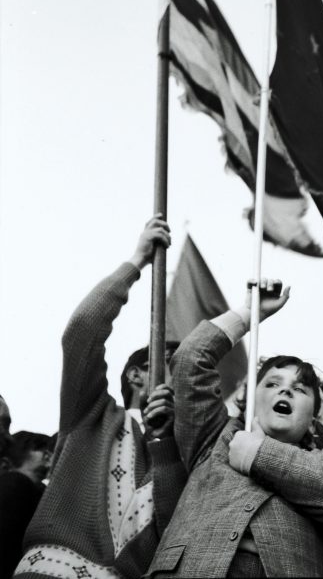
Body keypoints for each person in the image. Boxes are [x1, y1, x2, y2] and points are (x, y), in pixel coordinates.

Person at [146, 280, 323, 578]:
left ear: (314, 412)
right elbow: (191, 360)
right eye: (272, 383)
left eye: (301, 389)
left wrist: (260, 453)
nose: (285, 392)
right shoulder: (214, 436)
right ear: (250, 397)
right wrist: (249, 312)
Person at [14, 215, 186, 579]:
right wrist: (136, 261)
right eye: (172, 363)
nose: (183, 376)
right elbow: (81, 332)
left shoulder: (182, 451)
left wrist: (166, 444)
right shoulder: (91, 413)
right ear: (136, 375)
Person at [0, 433, 54, 579]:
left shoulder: (42, 492)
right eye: (38, 448)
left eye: (49, 449)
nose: (47, 454)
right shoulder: (14, 482)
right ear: (6, 463)